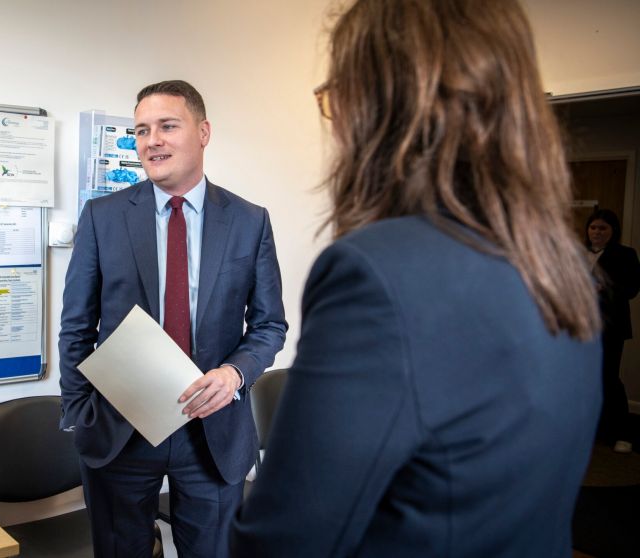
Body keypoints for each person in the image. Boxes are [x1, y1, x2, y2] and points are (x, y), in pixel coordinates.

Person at [231, 0, 602, 556]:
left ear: (380, 108)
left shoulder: (376, 275)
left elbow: (281, 542)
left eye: (337, 99)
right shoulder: (563, 266)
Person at [59, 79, 287, 557]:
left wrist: (235, 373)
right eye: (142, 130)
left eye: (167, 126)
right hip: (120, 430)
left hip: (212, 433)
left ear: (203, 132)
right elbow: (76, 326)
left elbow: (269, 324)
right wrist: (81, 414)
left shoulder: (249, 221)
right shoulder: (104, 217)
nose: (152, 140)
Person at [585, 208, 640, 454]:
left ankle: (622, 433)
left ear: (612, 231)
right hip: (580, 328)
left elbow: (631, 289)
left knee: (608, 378)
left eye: (602, 228)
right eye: (593, 227)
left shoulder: (625, 254)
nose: (596, 232)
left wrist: (602, 288)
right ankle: (591, 430)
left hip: (610, 327)